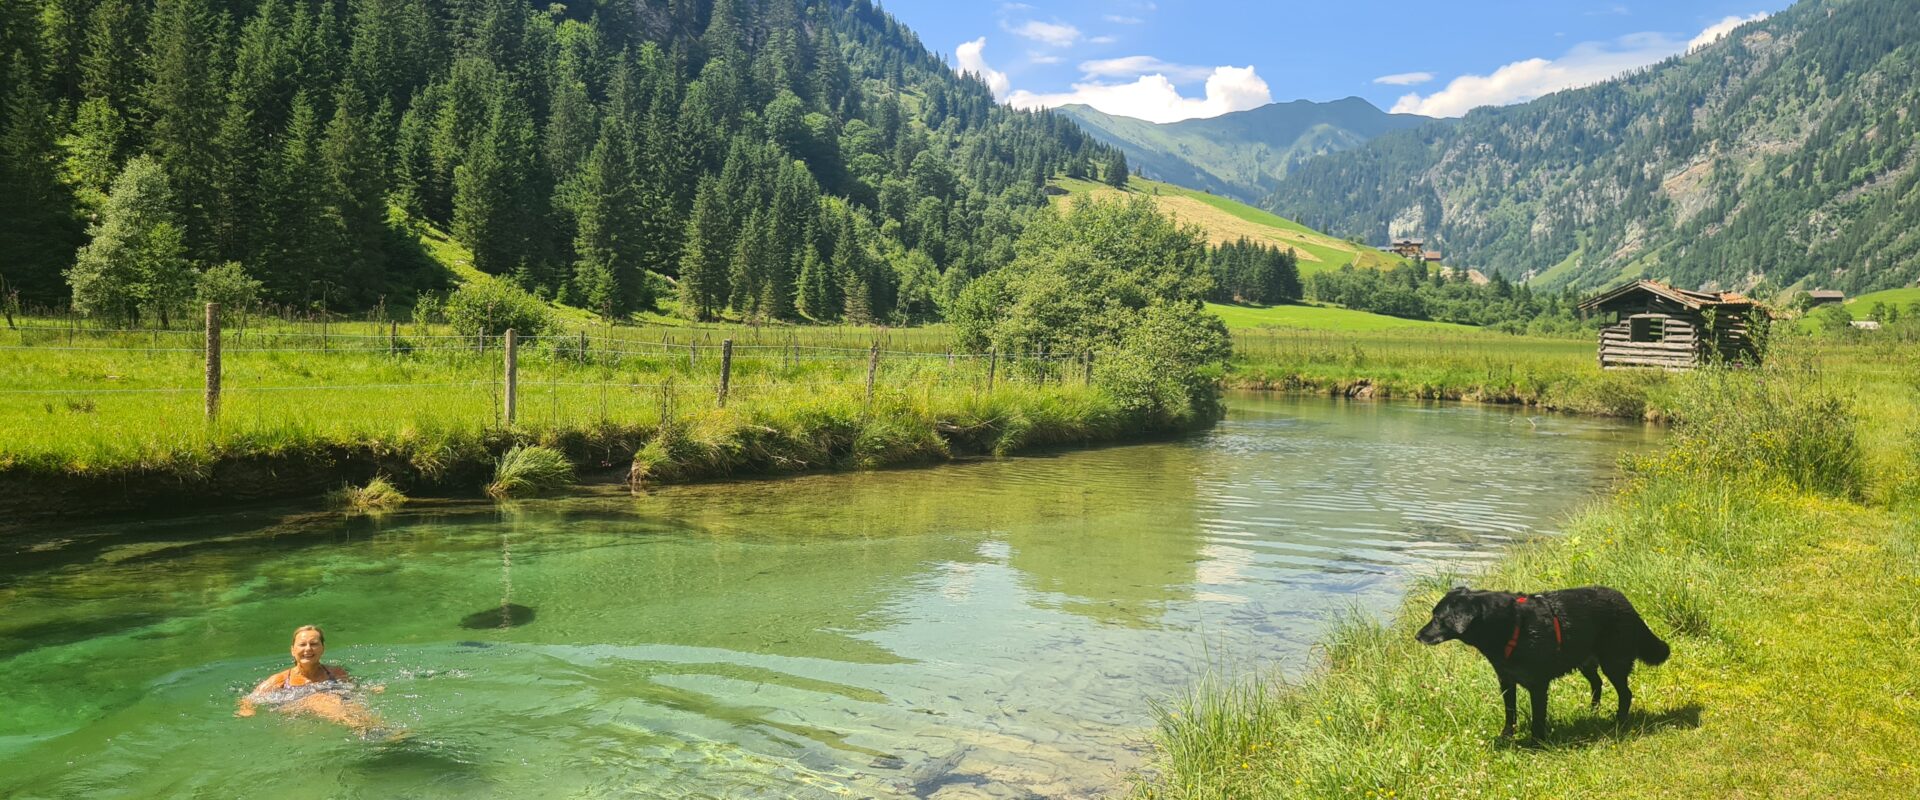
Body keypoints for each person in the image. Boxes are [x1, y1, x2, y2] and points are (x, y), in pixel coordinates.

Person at [237, 625, 387, 734]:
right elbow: (249, 699)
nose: (308, 649)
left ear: (322, 648)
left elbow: (352, 689)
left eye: (314, 644)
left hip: (337, 703)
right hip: (297, 709)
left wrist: (368, 689)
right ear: (293, 650)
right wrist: (247, 710)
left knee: (351, 704)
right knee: (321, 698)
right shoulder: (280, 680)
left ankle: (380, 729)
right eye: (302, 645)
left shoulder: (335, 672)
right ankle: (366, 730)